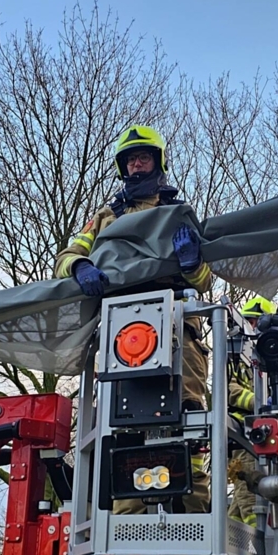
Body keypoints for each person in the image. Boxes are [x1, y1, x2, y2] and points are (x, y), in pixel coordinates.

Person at [55, 125, 213, 514]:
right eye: (129, 160)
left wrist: (193, 262)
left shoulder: (176, 214)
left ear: (158, 162)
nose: (135, 165)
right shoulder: (106, 217)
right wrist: (80, 267)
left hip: (178, 325)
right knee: (123, 425)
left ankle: (195, 514)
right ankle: (126, 521)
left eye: (142, 157)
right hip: (123, 334)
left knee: (188, 419)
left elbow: (204, 282)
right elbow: (65, 258)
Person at [227, 296, 278, 528]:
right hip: (241, 436)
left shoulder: (259, 361)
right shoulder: (234, 353)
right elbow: (228, 390)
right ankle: (260, 549)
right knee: (251, 499)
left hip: (256, 435)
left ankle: (233, 541)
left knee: (241, 503)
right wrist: (259, 403)